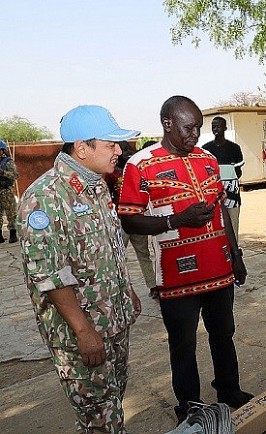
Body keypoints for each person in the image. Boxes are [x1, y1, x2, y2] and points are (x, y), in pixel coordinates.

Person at [118, 95, 252, 423]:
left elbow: (220, 208)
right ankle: (189, 407)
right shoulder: (141, 164)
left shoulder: (207, 159)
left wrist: (235, 255)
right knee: (183, 346)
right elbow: (128, 218)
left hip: (220, 269)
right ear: (168, 124)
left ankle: (228, 388)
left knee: (224, 333)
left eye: (198, 128)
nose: (195, 134)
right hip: (177, 278)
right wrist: (175, 221)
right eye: (189, 128)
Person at [17, 105, 142, 433]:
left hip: (113, 319)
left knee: (112, 402)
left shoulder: (97, 186)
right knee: (99, 417)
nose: (119, 150)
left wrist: (126, 290)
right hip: (81, 332)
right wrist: (85, 332)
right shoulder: (43, 198)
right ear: (81, 148)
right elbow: (49, 274)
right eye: (110, 144)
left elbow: (108, 246)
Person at [105, 141, 157, 298]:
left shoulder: (136, 171)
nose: (127, 152)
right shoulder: (111, 173)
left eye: (129, 149)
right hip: (120, 221)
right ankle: (120, 289)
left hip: (137, 219)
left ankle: (153, 285)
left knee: (143, 253)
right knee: (118, 255)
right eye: (123, 149)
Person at [203, 116, 244, 241]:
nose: (215, 129)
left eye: (218, 126)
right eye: (213, 126)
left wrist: (228, 184)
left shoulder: (234, 148)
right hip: (213, 194)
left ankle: (234, 253)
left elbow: (238, 171)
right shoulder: (206, 149)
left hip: (232, 194)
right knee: (215, 223)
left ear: (225, 127)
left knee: (233, 222)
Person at [0, 139, 19, 243]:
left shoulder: (8, 162)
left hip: (6, 190)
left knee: (11, 213)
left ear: (3, 151)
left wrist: (3, 172)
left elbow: (15, 175)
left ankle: (13, 234)